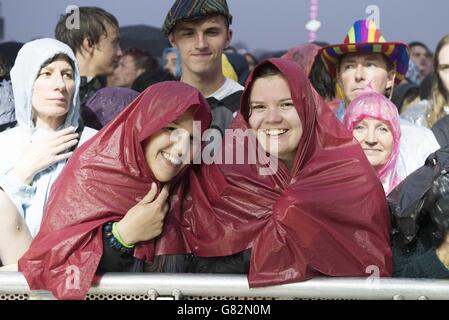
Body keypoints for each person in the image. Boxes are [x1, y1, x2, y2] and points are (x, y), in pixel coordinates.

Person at [155, 58, 392, 287]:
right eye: (258, 107)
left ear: (308, 107)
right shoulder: (224, 176)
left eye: (286, 104)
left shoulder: (353, 180)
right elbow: (200, 264)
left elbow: (370, 264)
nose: (272, 118)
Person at [18, 81, 211, 299]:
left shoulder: (194, 184)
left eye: (193, 138)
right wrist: (121, 236)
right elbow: (52, 271)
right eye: (172, 128)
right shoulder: (91, 173)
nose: (181, 148)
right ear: (144, 124)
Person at [0, 38, 97, 268]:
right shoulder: (5, 144)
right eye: (46, 73)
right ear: (26, 81)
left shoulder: (94, 142)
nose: (60, 85)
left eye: (67, 74)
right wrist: (21, 174)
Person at [320, 19, 440, 180]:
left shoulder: (419, 140)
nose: (359, 75)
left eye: (370, 65)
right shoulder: (321, 137)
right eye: (349, 66)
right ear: (339, 78)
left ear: (390, 77)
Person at [162, 0, 244, 133]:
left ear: (228, 38)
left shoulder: (249, 108)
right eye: (188, 33)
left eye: (211, 32)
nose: (201, 44)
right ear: (173, 40)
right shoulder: (159, 107)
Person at [55, 7, 122, 127]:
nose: (120, 53)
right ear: (89, 44)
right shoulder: (52, 96)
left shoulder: (47, 92)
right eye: (114, 43)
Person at [344, 89, 401, 194]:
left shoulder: (407, 197)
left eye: (382, 129)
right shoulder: (331, 192)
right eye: (360, 127)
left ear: (396, 139)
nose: (371, 139)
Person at [402, 36, 449, 129]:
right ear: (437, 72)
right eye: (445, 67)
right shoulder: (418, 117)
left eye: (426, 55)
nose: (423, 58)